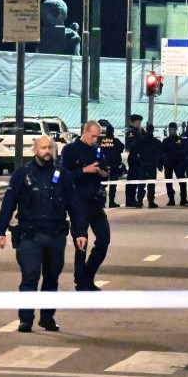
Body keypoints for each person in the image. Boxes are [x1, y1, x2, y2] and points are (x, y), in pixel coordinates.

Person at [0, 134, 86, 332]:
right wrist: (0, 230)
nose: (47, 151)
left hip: (55, 235)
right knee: (30, 278)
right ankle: (25, 319)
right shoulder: (22, 174)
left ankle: (47, 317)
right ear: (35, 150)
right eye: (43, 147)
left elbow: (74, 206)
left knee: (52, 279)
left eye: (50, 148)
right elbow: (8, 203)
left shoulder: (63, 175)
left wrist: (80, 232)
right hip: (30, 236)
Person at [59, 120, 112, 289]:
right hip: (78, 203)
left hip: (95, 201)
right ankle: (81, 281)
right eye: (93, 136)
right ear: (85, 131)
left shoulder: (97, 150)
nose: (95, 139)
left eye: (98, 136)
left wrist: (103, 173)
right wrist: (84, 170)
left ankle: (87, 275)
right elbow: (63, 175)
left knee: (104, 240)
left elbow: (103, 169)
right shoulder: (70, 150)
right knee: (81, 243)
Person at [124, 113, 161, 207]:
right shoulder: (131, 132)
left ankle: (135, 200)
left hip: (141, 159)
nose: (139, 124)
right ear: (133, 123)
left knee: (139, 180)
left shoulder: (140, 132)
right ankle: (130, 200)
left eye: (140, 123)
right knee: (132, 180)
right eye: (138, 123)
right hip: (134, 158)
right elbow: (131, 146)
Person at [98, 119, 124, 208]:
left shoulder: (100, 141)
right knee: (113, 185)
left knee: (101, 185)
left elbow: (97, 152)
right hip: (114, 166)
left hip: (103, 166)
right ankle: (111, 201)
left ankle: (102, 202)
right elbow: (121, 149)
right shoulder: (116, 141)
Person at [162, 121, 183, 206]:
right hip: (168, 164)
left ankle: (183, 199)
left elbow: (183, 151)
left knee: (182, 181)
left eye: (172, 130)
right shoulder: (166, 141)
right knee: (168, 182)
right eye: (170, 130)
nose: (171, 131)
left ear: (175, 130)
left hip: (178, 163)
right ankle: (171, 199)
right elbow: (162, 151)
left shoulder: (180, 140)